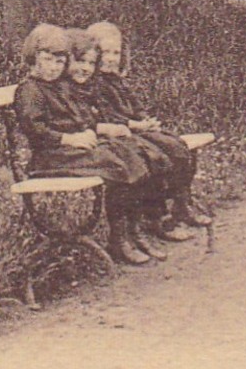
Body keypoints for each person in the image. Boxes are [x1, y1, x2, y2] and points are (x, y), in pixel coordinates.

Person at [12, 23, 155, 265]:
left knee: (126, 153)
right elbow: (35, 129)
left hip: (70, 151)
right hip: (50, 157)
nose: (53, 67)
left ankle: (128, 231)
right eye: (47, 60)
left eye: (59, 62)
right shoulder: (30, 90)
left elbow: (80, 117)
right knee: (117, 165)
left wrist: (86, 132)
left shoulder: (58, 87)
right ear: (32, 59)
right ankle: (119, 239)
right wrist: (69, 138)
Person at [88, 21, 213, 239]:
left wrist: (145, 119)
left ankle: (181, 206)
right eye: (105, 52)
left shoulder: (116, 80)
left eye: (116, 52)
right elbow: (108, 117)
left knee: (176, 145)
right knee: (155, 157)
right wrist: (136, 125)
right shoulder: (93, 84)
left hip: (133, 131)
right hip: (117, 135)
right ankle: (154, 218)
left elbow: (134, 106)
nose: (110, 58)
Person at [65, 28, 166, 261]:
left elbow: (93, 116)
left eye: (91, 63)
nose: (85, 68)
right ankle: (119, 239)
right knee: (121, 166)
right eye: (79, 61)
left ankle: (134, 232)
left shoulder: (87, 85)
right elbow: (69, 124)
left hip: (90, 144)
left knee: (135, 157)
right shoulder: (64, 88)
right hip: (69, 150)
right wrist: (99, 129)